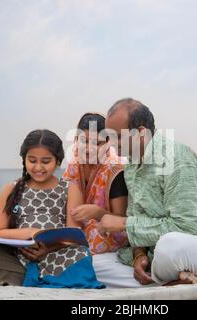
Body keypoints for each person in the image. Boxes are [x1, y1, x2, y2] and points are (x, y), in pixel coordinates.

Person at [99, 98, 197, 286]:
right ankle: (171, 281)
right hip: (160, 256)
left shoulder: (175, 157)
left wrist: (123, 223)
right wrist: (139, 256)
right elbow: (138, 215)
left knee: (169, 247)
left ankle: (167, 281)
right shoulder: (131, 167)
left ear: (141, 132)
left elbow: (183, 228)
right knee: (96, 266)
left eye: (117, 136)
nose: (111, 143)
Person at [0, 129, 103, 288]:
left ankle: (27, 280)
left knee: (81, 253)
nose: (38, 167)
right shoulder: (12, 189)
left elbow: (73, 235)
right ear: (24, 159)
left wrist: (48, 248)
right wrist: (30, 233)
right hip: (21, 258)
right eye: (32, 160)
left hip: (59, 255)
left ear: (58, 161)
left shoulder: (70, 189)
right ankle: (34, 277)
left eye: (45, 161)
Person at [63, 113, 141, 288]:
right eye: (84, 141)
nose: (90, 149)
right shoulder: (75, 163)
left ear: (108, 143)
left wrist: (98, 213)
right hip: (83, 233)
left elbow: (120, 223)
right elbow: (73, 218)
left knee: (91, 265)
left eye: (98, 143)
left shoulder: (115, 169)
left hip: (112, 237)